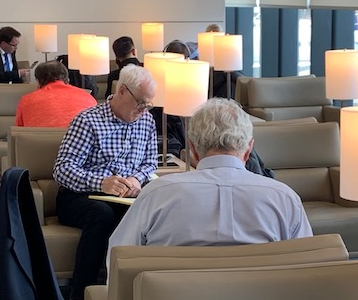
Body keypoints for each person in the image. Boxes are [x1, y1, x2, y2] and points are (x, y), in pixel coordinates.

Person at [109, 99, 310, 251]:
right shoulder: (284, 198)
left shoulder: (156, 194)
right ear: (248, 150)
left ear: (192, 150)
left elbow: (119, 256)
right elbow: (303, 266)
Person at [53, 63, 159, 300]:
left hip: (124, 196)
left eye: (148, 105)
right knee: (101, 215)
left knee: (151, 215)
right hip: (80, 195)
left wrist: (136, 178)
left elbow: (150, 162)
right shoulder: (88, 120)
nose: (143, 110)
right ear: (122, 91)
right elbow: (62, 169)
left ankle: (131, 294)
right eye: (140, 103)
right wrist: (101, 182)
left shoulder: (146, 121)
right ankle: (79, 297)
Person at [14, 60, 97, 128]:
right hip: (80, 146)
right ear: (67, 79)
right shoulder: (88, 97)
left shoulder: (26, 100)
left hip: (39, 146)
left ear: (38, 82)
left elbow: (19, 131)